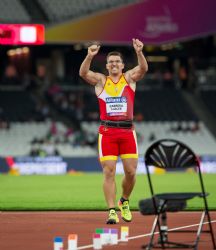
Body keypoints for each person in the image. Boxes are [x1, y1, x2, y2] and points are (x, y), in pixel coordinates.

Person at [79, 39, 148, 224]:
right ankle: (111, 211)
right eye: (111, 62)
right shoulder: (101, 80)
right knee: (109, 171)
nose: (114, 64)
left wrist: (139, 52)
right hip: (108, 132)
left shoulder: (129, 78)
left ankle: (124, 201)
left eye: (118, 61)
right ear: (107, 66)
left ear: (123, 65)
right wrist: (89, 55)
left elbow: (143, 70)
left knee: (131, 172)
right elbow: (83, 73)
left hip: (127, 132)